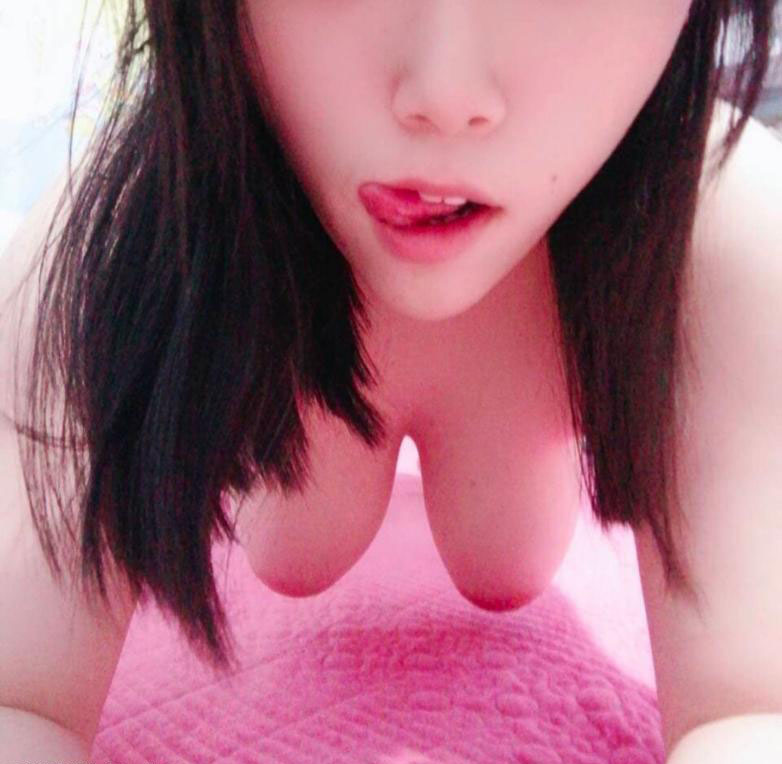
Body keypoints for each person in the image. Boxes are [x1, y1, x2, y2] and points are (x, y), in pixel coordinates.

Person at [1, 1, 780, 762]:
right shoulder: (111, 250)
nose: (444, 95)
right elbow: (15, 696)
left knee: (501, 543)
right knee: (321, 530)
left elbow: (756, 708)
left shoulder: (728, 236)